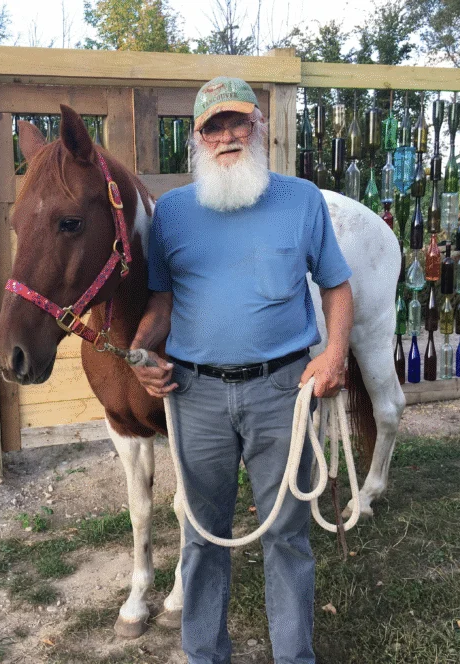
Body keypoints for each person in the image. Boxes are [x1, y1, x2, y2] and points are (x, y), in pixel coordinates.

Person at [129, 77, 354, 664]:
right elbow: (162, 301)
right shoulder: (173, 213)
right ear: (197, 139)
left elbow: (336, 285)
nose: (227, 136)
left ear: (259, 127)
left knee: (286, 533)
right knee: (201, 535)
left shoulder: (302, 200)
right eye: (213, 127)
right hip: (195, 393)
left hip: (284, 390)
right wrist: (141, 351)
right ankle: (204, 655)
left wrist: (333, 355)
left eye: (237, 123)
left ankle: (294, 657)